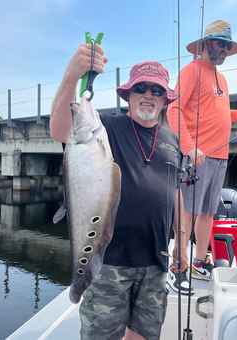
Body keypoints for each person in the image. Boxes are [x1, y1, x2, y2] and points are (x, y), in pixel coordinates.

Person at [50, 43, 182, 340]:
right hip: (110, 261)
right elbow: (60, 129)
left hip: (156, 262)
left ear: (165, 100)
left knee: (144, 335)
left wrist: (182, 242)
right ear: (129, 95)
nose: (148, 95)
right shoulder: (106, 128)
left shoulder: (172, 141)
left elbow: (175, 192)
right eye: (141, 88)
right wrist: (72, 76)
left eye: (156, 90)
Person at [166, 20, 237, 291]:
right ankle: (177, 268)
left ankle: (198, 262)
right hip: (197, 157)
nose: (225, 50)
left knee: (207, 213)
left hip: (218, 157)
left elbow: (223, 114)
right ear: (206, 43)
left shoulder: (222, 78)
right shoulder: (191, 71)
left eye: (228, 45)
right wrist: (189, 146)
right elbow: (174, 109)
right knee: (187, 212)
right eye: (221, 43)